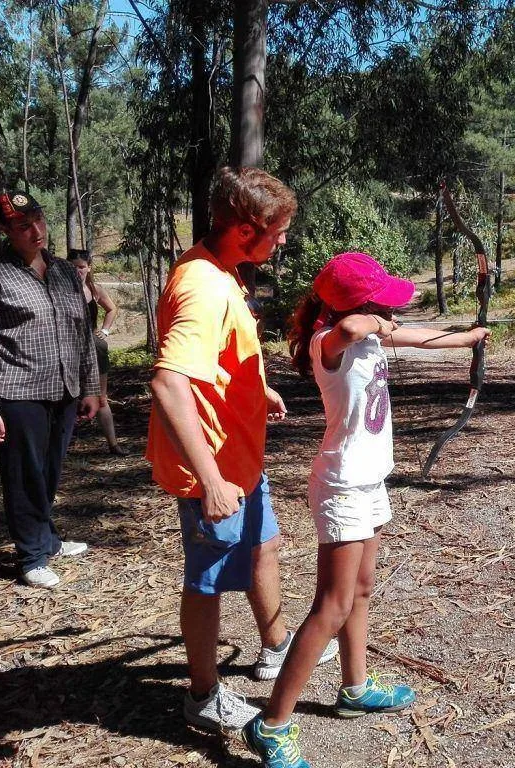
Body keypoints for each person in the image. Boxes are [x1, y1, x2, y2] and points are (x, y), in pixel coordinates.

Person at [241, 251, 490, 768]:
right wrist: (375, 318)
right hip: (342, 486)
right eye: (380, 300)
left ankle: (354, 687)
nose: (388, 312)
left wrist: (467, 338)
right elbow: (351, 326)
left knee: (361, 589)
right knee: (330, 607)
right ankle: (272, 724)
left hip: (369, 480)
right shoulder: (328, 342)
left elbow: (417, 336)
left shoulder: (371, 334)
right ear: (360, 302)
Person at [145, 167, 337, 737]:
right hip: (215, 468)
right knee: (207, 581)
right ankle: (202, 696)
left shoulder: (221, 269)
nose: (283, 242)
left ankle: (275, 645)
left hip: (240, 457)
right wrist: (210, 481)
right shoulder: (202, 287)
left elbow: (214, 362)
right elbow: (168, 382)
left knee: (265, 546)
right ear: (245, 230)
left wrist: (256, 386)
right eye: (276, 232)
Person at [0, 190, 101, 589]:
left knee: (50, 471)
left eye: (38, 220)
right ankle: (31, 557)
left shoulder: (63, 273)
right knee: (24, 475)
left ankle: (48, 539)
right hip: (17, 392)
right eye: (23, 226)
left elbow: (83, 334)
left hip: (64, 389)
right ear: (5, 231)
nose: (35, 231)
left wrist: (91, 387)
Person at [68, 248, 126, 455]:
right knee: (66, 396)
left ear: (89, 267)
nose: (78, 271)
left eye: (81, 267)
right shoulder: (59, 290)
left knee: (101, 397)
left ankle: (113, 444)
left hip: (94, 349)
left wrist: (105, 331)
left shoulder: (94, 289)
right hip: (67, 349)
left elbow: (112, 308)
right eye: (73, 267)